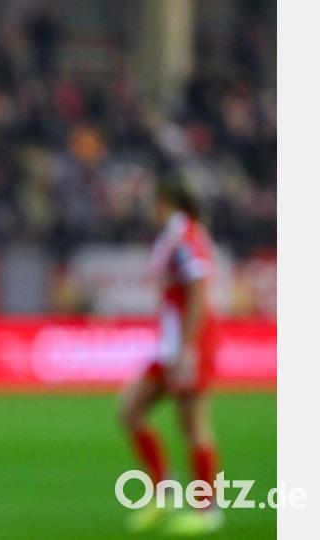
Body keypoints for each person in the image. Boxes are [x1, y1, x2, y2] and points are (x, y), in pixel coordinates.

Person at [118, 176, 223, 535]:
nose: (150, 210)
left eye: (154, 203)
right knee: (130, 412)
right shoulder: (178, 237)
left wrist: (188, 346)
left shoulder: (186, 239)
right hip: (170, 346)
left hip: (186, 345)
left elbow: (198, 293)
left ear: (165, 203)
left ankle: (207, 509)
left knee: (193, 424)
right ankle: (165, 492)